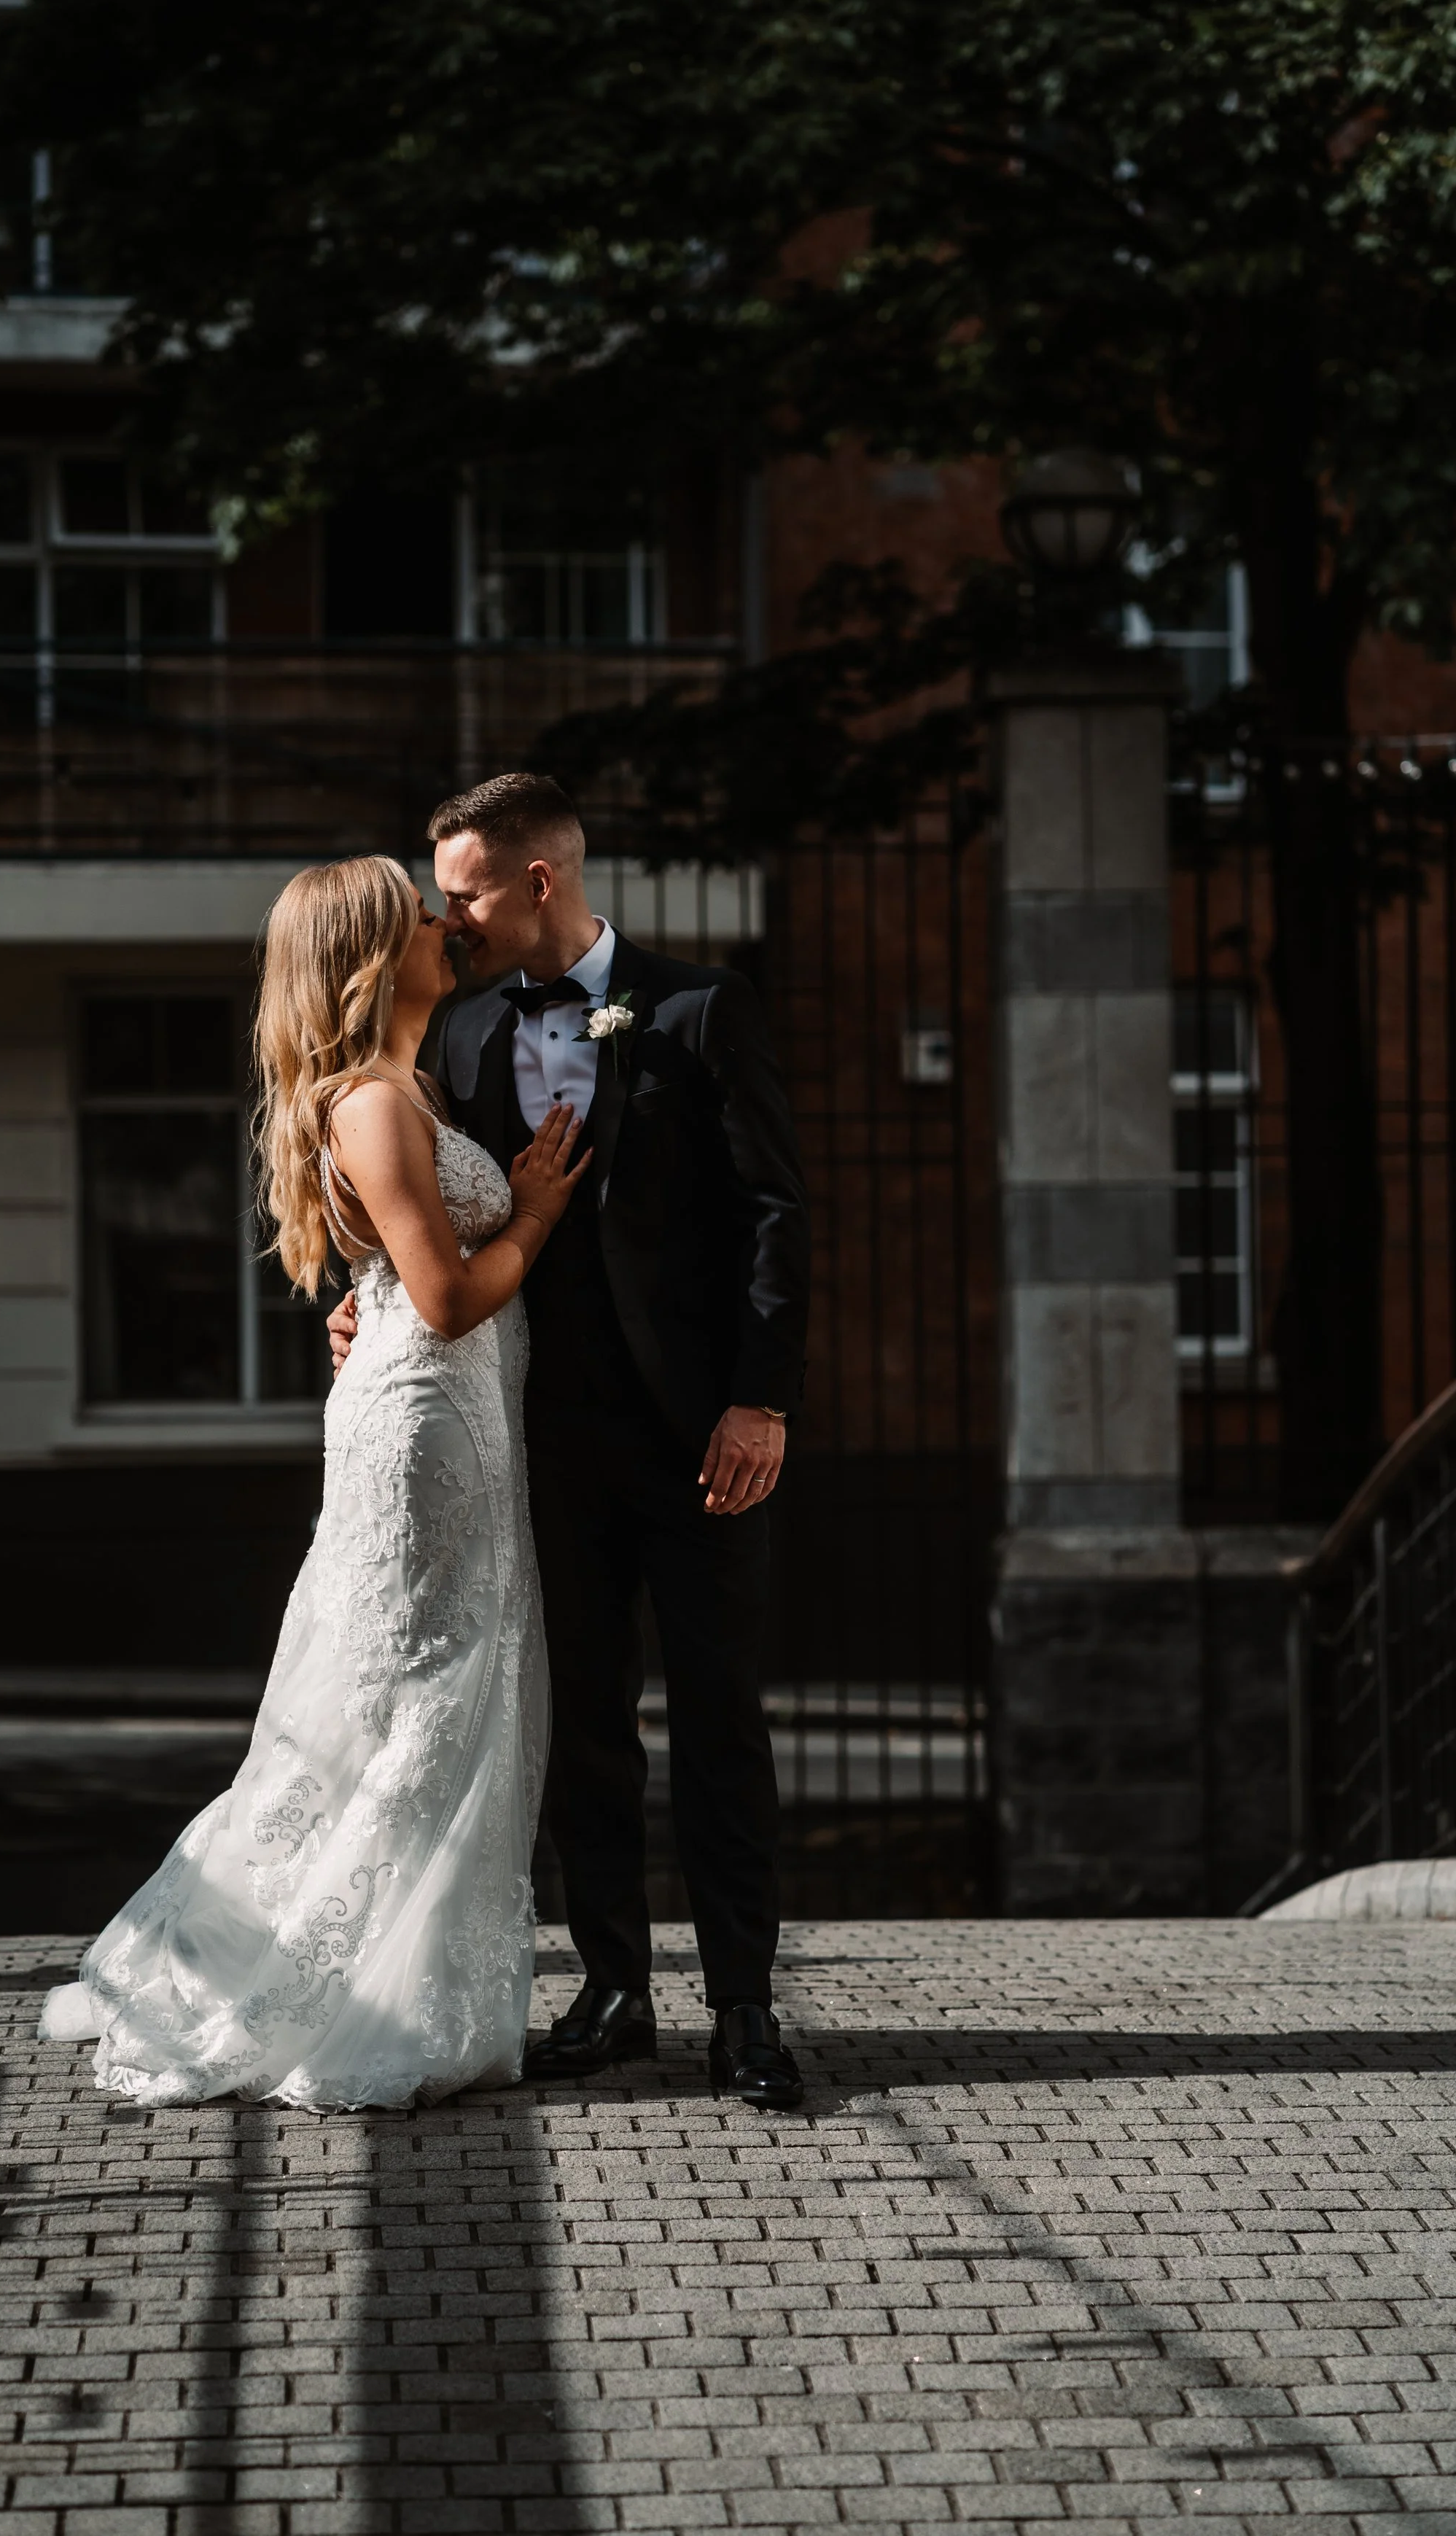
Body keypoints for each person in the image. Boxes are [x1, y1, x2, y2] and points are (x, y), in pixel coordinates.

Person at [40, 855, 585, 2109]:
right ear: (371, 953)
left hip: (460, 1417)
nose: (446, 926)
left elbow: (398, 1278)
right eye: (419, 916)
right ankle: (331, 1987)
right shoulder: (372, 1103)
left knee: (432, 1689)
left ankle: (403, 1976)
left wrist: (377, 1295)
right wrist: (539, 1213)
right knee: (408, 1695)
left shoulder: (420, 1086)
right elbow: (446, 1298)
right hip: (425, 1426)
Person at [330, 774, 811, 2109]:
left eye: (466, 888)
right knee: (581, 1725)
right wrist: (355, 1306)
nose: (449, 913)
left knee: (722, 1723)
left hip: (706, 1437)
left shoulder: (698, 1010)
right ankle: (612, 1991)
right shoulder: (461, 1028)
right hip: (534, 1433)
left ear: (538, 881)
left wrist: (760, 1399)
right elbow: (408, 1194)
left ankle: (747, 2010)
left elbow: (778, 1213)